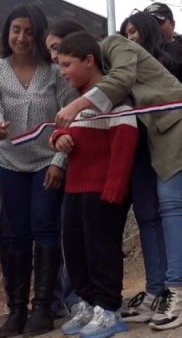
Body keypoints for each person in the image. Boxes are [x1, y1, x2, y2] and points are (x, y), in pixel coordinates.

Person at [53, 27, 182, 332]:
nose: (61, 68)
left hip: (176, 127)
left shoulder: (115, 45)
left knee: (171, 203)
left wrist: (76, 105)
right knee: (147, 215)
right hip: (151, 138)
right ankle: (156, 292)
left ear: (87, 54)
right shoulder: (90, 82)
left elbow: (123, 79)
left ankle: (179, 291)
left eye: (64, 59)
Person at [0, 5, 75, 337]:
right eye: (16, 29)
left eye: (29, 31)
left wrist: (59, 161)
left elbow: (69, 115)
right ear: (7, 31)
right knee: (14, 233)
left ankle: (43, 308)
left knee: (45, 227)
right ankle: (17, 309)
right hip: (10, 161)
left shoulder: (54, 71)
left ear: (40, 34)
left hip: (47, 161)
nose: (21, 37)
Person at [118, 12, 182, 308]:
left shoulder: (171, 58)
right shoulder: (123, 67)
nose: (131, 38)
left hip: (178, 143)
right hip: (144, 146)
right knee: (153, 213)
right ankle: (160, 287)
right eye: (126, 33)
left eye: (135, 31)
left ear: (148, 32)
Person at [51, 32, 137, 338]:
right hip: (74, 190)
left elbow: (124, 143)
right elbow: (59, 131)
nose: (63, 72)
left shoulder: (116, 99)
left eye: (67, 64)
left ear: (89, 60)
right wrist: (59, 138)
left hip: (101, 192)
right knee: (75, 250)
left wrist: (114, 190)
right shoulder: (74, 102)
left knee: (101, 250)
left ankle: (109, 309)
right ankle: (88, 303)